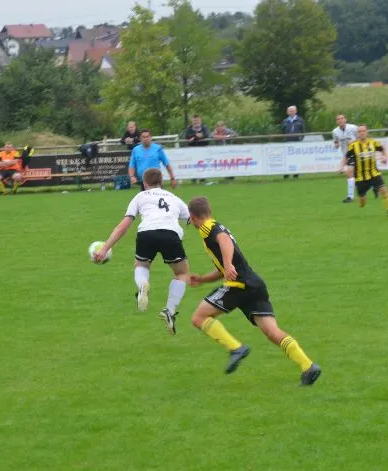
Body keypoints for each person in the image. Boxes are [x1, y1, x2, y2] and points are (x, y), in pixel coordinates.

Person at [185, 196, 321, 386]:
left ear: (192, 216)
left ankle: (236, 349)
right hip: (254, 284)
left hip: (238, 285)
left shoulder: (208, 227)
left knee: (198, 318)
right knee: (272, 332)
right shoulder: (216, 226)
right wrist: (202, 279)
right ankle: (308, 366)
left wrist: (228, 264)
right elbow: (223, 269)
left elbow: (224, 241)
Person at [93, 168, 190, 335]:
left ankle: (142, 285)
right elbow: (190, 218)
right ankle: (170, 310)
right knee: (182, 274)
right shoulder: (174, 198)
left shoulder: (140, 196)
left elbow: (123, 226)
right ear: (162, 182)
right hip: (170, 234)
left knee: (141, 265)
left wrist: (105, 248)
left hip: (146, 233)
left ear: (145, 184)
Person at [345, 125, 388, 218]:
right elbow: (346, 156)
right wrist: (342, 166)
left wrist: (385, 157)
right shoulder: (353, 145)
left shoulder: (373, 142)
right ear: (357, 133)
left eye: (363, 131)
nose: (362, 133)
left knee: (384, 191)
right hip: (360, 177)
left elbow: (383, 149)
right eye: (360, 131)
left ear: (367, 132)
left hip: (374, 173)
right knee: (362, 202)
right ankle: (362, 200)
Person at [332, 114, 358, 203]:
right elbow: (336, 141)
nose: (340, 120)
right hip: (349, 155)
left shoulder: (353, 128)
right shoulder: (335, 132)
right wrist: (336, 145)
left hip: (359, 152)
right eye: (338, 119)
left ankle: (375, 186)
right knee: (349, 172)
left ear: (345, 119)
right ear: (336, 121)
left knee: (365, 174)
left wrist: (353, 141)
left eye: (342, 118)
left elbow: (362, 138)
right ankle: (350, 197)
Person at [281, 105, 305, 178]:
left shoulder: (300, 120)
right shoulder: (285, 121)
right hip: (287, 142)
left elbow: (303, 131)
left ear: (296, 111)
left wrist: (300, 139)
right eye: (290, 111)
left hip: (297, 142)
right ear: (287, 112)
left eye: (293, 111)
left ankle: (296, 174)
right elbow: (282, 131)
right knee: (286, 158)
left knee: (296, 158)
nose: (291, 112)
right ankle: (286, 174)